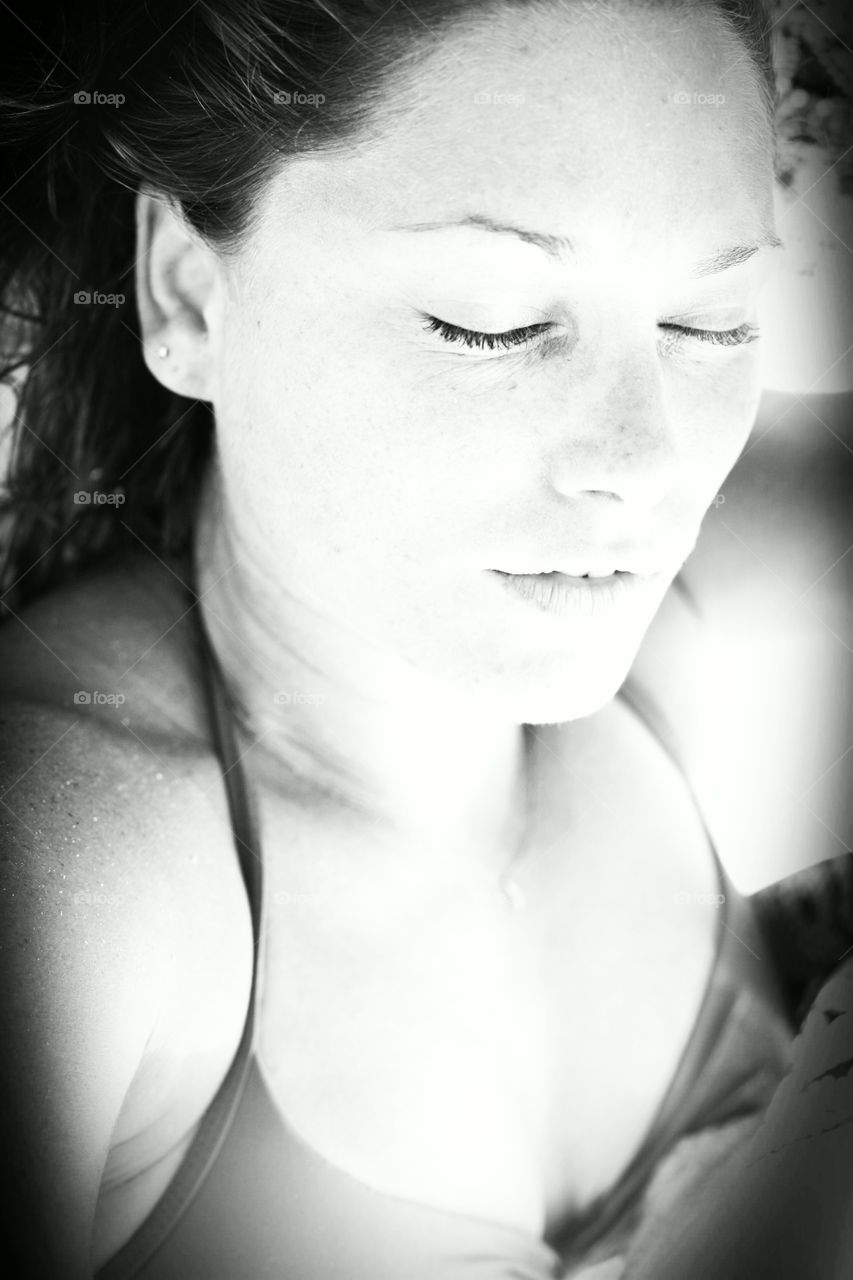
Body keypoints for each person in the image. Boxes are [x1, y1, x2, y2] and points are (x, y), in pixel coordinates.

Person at [0, 1, 838, 1277]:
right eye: (488, 320)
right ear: (187, 290)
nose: (645, 459)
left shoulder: (690, 591)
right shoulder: (65, 886)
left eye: (707, 321)